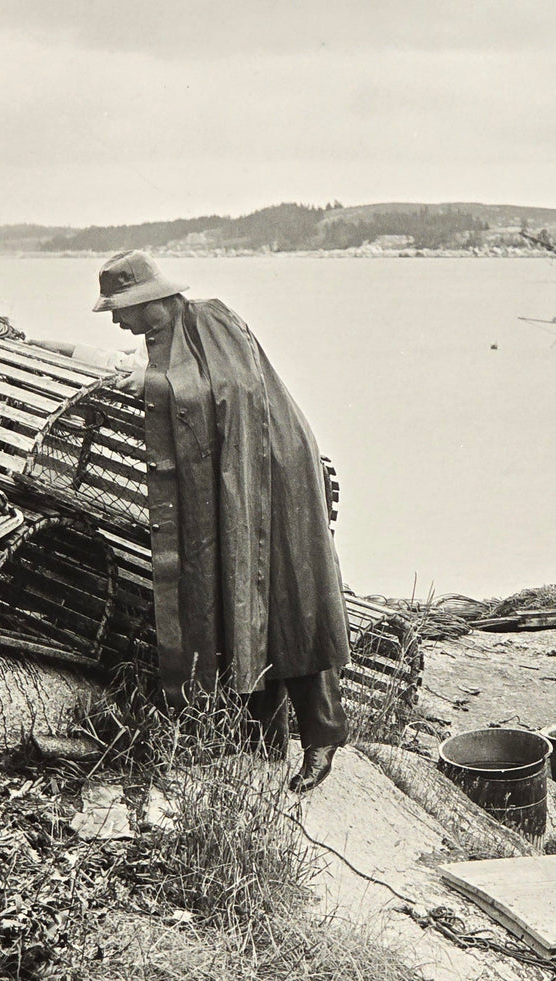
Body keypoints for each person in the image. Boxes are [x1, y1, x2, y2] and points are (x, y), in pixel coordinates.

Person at [94, 249, 349, 793]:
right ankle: (263, 738)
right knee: (240, 600)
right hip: (234, 475)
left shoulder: (211, 317)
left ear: (147, 300)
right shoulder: (168, 335)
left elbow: (239, 391)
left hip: (272, 468)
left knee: (290, 600)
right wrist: (145, 375)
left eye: (120, 308)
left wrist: (149, 385)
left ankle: (322, 738)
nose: (117, 319)